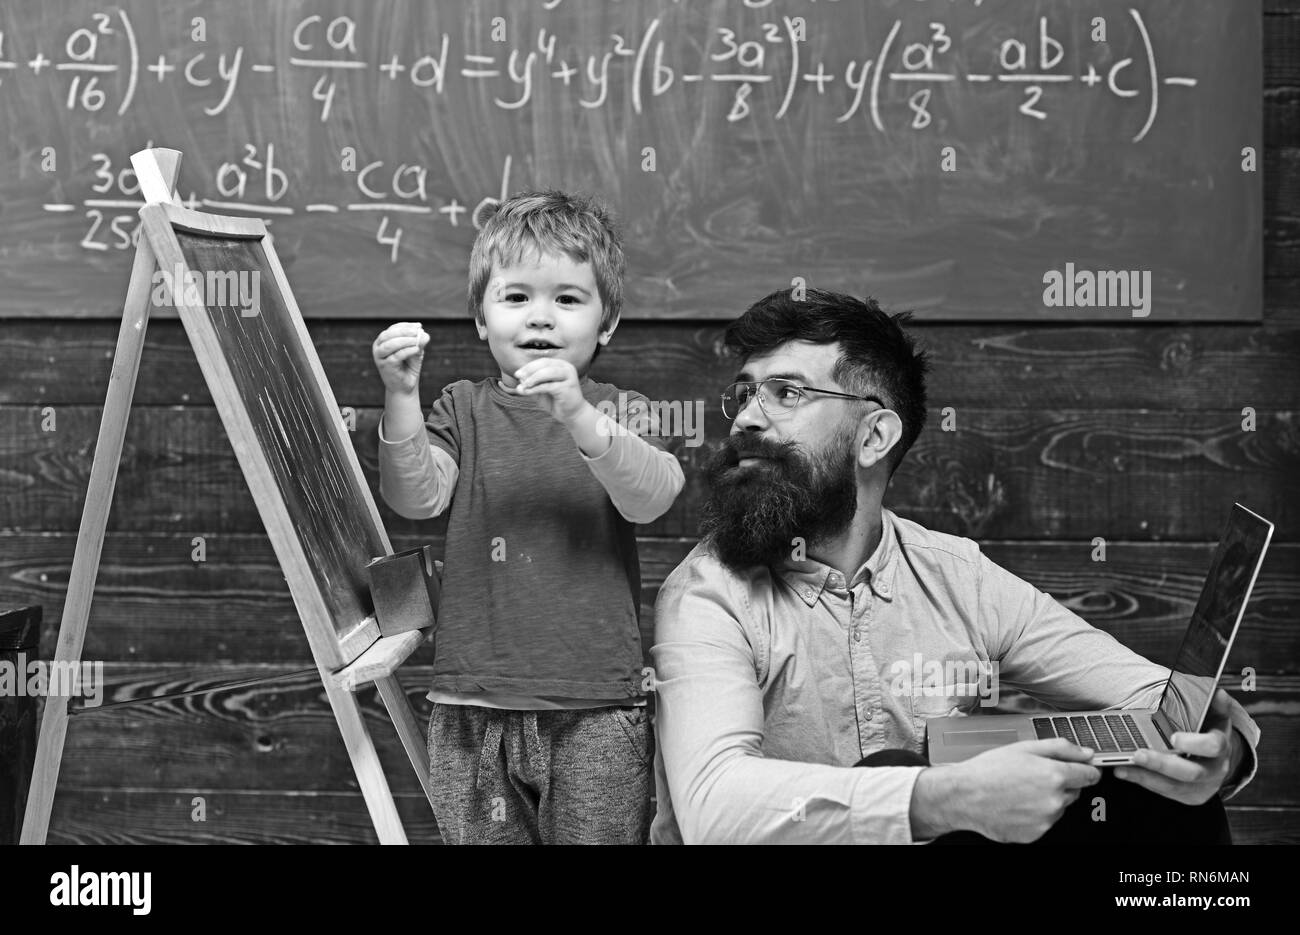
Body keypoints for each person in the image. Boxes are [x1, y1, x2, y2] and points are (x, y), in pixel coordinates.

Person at [649, 287, 1260, 845]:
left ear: (873, 437)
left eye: (787, 393)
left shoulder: (955, 575)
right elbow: (712, 806)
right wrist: (944, 797)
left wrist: (1218, 751)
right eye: (746, 392)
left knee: (1154, 792)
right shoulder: (707, 594)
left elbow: (1150, 693)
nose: (746, 417)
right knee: (904, 774)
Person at [373, 190, 684, 844]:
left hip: (597, 709)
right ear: (482, 319)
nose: (540, 316)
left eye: (567, 298)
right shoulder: (461, 408)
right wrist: (401, 395)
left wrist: (577, 415)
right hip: (471, 707)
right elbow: (417, 496)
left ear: (607, 322)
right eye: (516, 297)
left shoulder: (620, 409)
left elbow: (653, 494)